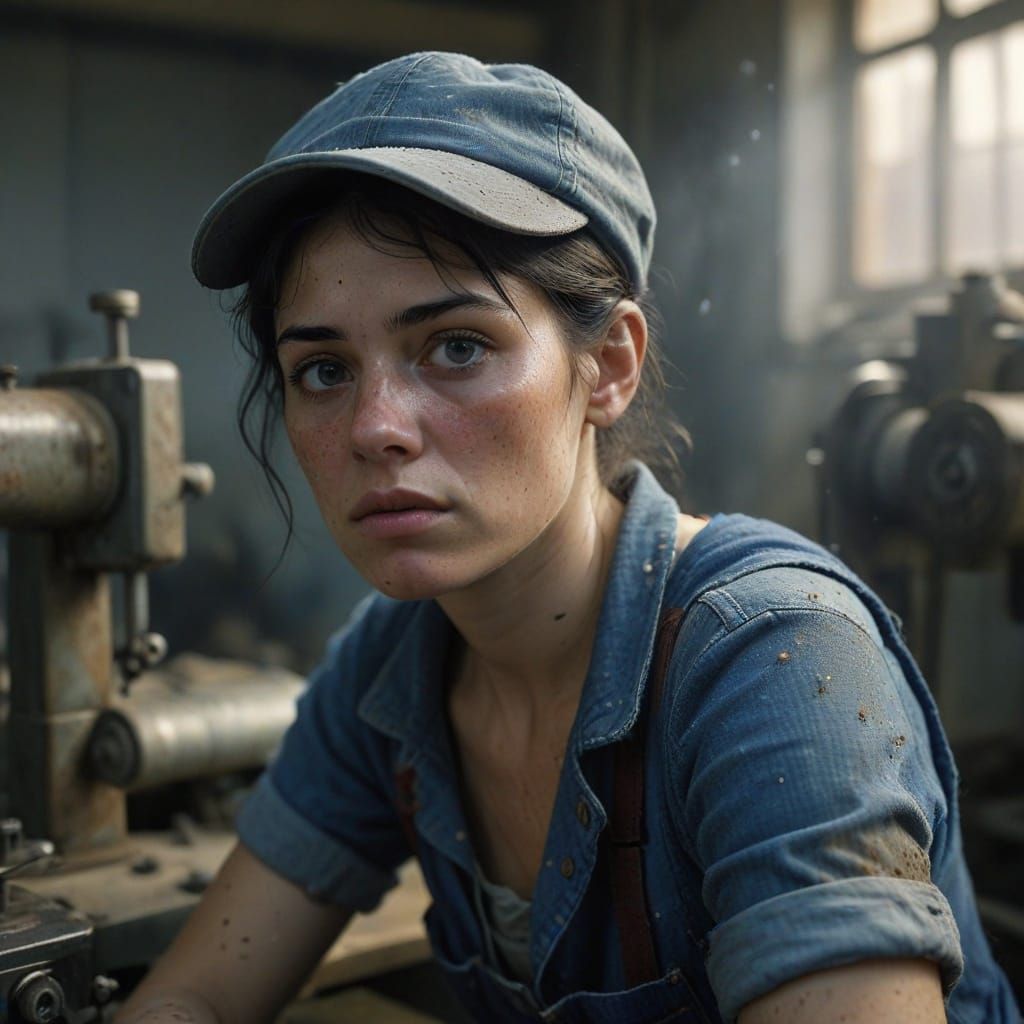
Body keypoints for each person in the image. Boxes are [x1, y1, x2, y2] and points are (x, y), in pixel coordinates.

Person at [116, 52, 1020, 1024]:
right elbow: (199, 994)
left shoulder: (774, 659)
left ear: (608, 367)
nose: (376, 424)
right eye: (324, 369)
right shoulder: (391, 674)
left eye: (456, 346)